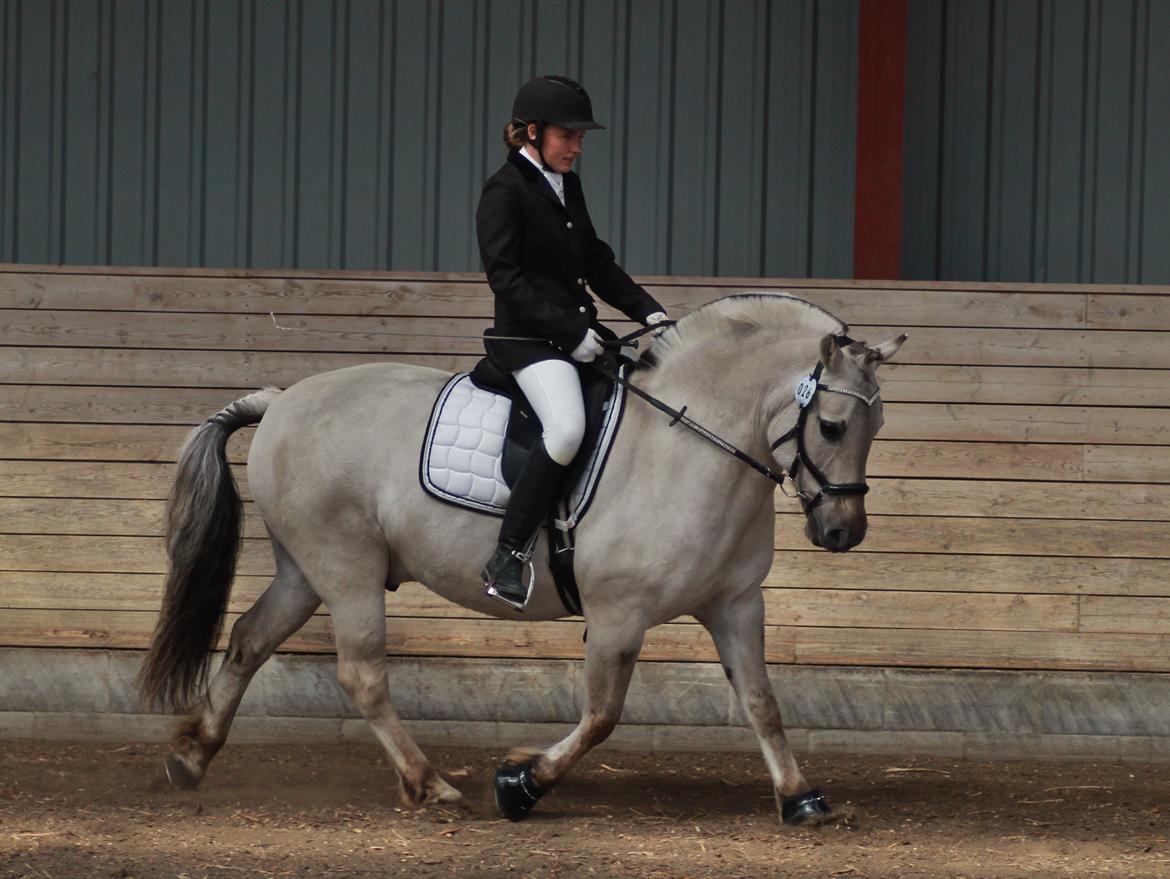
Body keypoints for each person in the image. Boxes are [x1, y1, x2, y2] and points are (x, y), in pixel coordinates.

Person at [475, 74, 668, 609]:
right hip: (528, 341)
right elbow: (505, 278)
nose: (578, 147)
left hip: (575, 335)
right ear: (531, 133)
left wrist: (649, 311)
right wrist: (569, 333)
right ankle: (507, 555)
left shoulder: (567, 186)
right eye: (568, 136)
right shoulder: (504, 190)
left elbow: (595, 260)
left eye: (581, 138)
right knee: (565, 428)